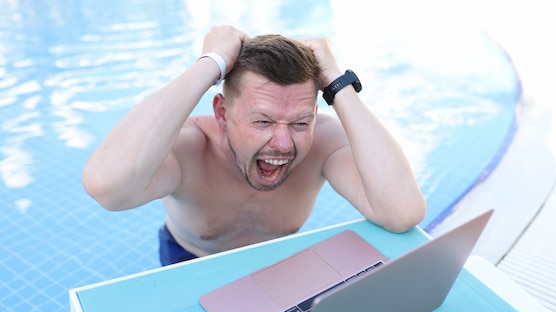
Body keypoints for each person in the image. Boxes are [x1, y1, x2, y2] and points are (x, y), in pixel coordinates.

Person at [82, 25, 427, 266]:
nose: (283, 142)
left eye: (299, 122)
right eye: (262, 121)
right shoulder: (190, 148)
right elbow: (107, 188)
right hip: (189, 261)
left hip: (278, 265)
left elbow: (402, 213)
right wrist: (210, 63)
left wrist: (338, 83)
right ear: (222, 112)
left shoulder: (322, 141)